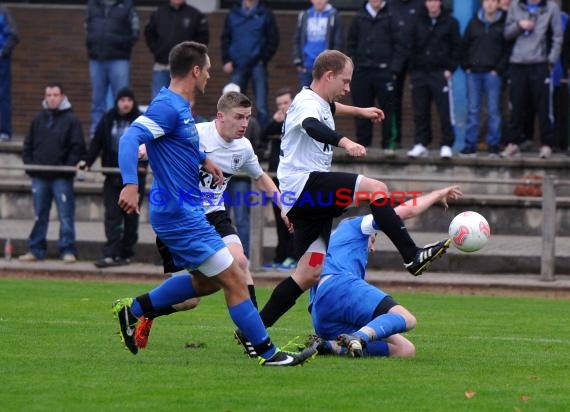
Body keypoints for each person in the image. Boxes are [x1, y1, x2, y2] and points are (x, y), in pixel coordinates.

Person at [236, 50, 452, 356]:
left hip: (304, 198)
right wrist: (345, 141)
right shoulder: (306, 104)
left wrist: (361, 111)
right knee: (376, 189)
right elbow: (313, 125)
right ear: (328, 76)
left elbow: (332, 107)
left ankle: (253, 332)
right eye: (345, 80)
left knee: (309, 273)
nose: (348, 87)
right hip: (307, 185)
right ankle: (411, 256)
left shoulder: (319, 100)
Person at [113, 41, 315, 366]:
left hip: (191, 214)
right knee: (235, 277)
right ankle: (268, 353)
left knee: (208, 284)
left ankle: (134, 310)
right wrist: (130, 184)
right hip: (181, 215)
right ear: (195, 71)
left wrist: (205, 160)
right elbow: (129, 138)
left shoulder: (181, 109)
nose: (210, 74)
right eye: (207, 69)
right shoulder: (168, 106)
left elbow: (182, 144)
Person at [134, 91, 293, 350]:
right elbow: (159, 138)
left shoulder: (243, 148)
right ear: (221, 116)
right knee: (192, 299)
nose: (244, 124)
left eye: (248, 118)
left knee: (240, 262)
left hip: (215, 215)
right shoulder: (196, 134)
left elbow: (261, 177)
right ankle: (147, 310)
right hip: (184, 216)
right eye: (239, 117)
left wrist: (283, 206)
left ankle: (253, 338)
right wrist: (143, 147)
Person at [310, 186, 462, 357]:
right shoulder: (357, 225)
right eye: (373, 240)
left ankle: (331, 347)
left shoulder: (330, 241)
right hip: (340, 286)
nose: (373, 249)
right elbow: (405, 210)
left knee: (405, 350)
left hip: (320, 315)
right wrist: (436, 194)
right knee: (408, 319)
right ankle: (358, 337)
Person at [19, 83, 86, 263]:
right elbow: (28, 145)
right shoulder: (38, 119)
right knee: (39, 215)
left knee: (65, 216)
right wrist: (30, 166)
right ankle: (36, 249)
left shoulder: (72, 120)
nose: (52, 98)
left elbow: (78, 147)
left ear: (62, 96)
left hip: (61, 177)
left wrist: (66, 167)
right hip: (39, 176)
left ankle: (67, 250)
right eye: (48, 95)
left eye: (55, 95)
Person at [83, 87, 147, 268]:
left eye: (129, 100)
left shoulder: (141, 120)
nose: (125, 103)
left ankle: (126, 253)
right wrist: (87, 162)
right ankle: (111, 253)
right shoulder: (108, 119)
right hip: (112, 177)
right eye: (122, 100)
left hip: (135, 179)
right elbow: (97, 143)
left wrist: (142, 166)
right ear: (117, 102)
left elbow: (148, 145)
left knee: (131, 218)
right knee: (112, 216)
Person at [501, 0, 563, 159]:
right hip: (517, 63)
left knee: (543, 107)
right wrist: (519, 25)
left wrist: (550, 60)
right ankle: (513, 144)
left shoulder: (551, 8)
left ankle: (547, 144)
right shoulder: (515, 6)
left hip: (540, 64)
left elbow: (558, 36)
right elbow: (506, 33)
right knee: (516, 106)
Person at [347, 0, 406, 153]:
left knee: (388, 109)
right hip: (362, 73)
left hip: (384, 72)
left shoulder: (392, 16)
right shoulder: (359, 17)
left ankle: (389, 145)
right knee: (361, 110)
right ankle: (363, 145)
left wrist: (393, 70)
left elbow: (401, 45)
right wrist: (354, 67)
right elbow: (350, 44)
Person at [406, 0, 461, 159]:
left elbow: (457, 47)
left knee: (445, 111)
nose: (433, 4)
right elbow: (409, 45)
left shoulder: (451, 22)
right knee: (420, 110)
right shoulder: (416, 21)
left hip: (440, 73)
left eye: (436, 1)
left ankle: (446, 144)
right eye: (430, 1)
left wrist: (450, 68)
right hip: (420, 73)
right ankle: (421, 143)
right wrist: (413, 69)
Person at [460, 0, 508, 157]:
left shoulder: (504, 23)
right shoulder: (474, 22)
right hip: (473, 74)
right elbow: (464, 45)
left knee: (493, 110)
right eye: (487, 1)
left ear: (498, 4)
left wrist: (498, 69)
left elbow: (507, 49)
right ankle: (470, 145)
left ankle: (493, 146)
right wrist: (466, 66)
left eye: (493, 1)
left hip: (493, 74)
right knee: (473, 110)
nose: (490, 5)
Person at [85, 0, 139, 138]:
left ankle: (122, 135)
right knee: (97, 100)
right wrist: (92, 43)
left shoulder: (127, 5)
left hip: (119, 59)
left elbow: (135, 30)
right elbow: (87, 26)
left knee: (122, 99)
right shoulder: (92, 4)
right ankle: (96, 135)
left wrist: (123, 45)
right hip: (97, 59)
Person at [221, 0, 280, 127]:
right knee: (233, 104)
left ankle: (263, 143)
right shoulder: (233, 12)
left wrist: (263, 59)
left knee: (261, 106)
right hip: (237, 65)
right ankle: (233, 137)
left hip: (257, 65)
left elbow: (273, 38)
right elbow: (226, 37)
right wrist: (226, 60)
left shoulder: (265, 12)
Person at [262, 88, 297, 271]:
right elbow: (262, 136)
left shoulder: (298, 119)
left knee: (291, 218)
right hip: (275, 176)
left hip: (291, 179)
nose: (283, 107)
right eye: (279, 104)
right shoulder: (276, 122)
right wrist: (274, 121)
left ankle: (292, 256)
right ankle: (280, 256)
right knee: (278, 218)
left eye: (286, 103)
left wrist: (282, 121)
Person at [144, 0, 209, 99]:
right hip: (162, 66)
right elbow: (149, 33)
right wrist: (157, 51)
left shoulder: (195, 15)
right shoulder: (159, 13)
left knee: (182, 102)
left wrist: (192, 58)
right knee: (158, 101)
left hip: (184, 69)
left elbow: (203, 39)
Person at [387, 0, 424, 149]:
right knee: (393, 102)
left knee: (421, 102)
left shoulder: (420, 5)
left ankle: (421, 142)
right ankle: (394, 140)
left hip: (418, 60)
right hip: (394, 60)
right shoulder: (389, 5)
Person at [293, 0, 344, 89]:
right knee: (305, 99)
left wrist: (334, 63)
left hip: (326, 66)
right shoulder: (305, 15)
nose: (319, 1)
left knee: (325, 99)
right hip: (307, 66)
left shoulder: (334, 15)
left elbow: (338, 42)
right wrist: (298, 61)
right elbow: (297, 39)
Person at [0, 5, 20, 142]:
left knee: (3, 95)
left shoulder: (4, 12)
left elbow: (14, 35)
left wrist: (2, 53)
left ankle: (4, 131)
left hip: (2, 62)